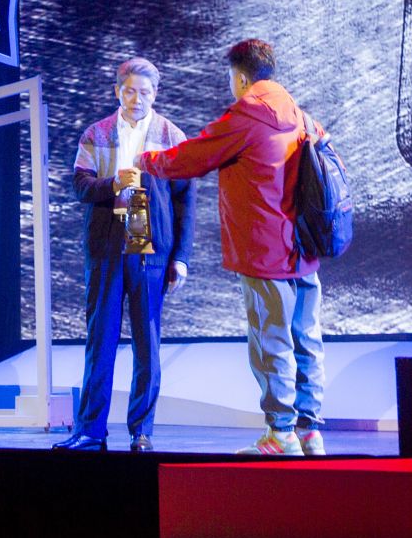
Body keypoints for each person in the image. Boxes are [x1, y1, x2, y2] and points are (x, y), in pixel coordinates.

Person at [137, 39, 326, 456]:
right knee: (305, 339)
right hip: (304, 250)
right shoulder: (299, 114)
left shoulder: (247, 114)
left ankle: (280, 433)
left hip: (265, 253)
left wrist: (146, 160)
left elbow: (193, 157)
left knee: (271, 342)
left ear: (240, 77)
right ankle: (309, 431)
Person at [54, 57, 195, 453]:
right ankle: (91, 429)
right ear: (118, 91)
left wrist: (181, 257)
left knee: (147, 342)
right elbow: (80, 185)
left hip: (150, 242)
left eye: (145, 92)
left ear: (155, 94)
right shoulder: (96, 134)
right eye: (130, 91)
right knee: (100, 338)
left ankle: (141, 430)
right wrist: (112, 183)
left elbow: (186, 200)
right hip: (108, 242)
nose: (137, 99)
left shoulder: (171, 135)